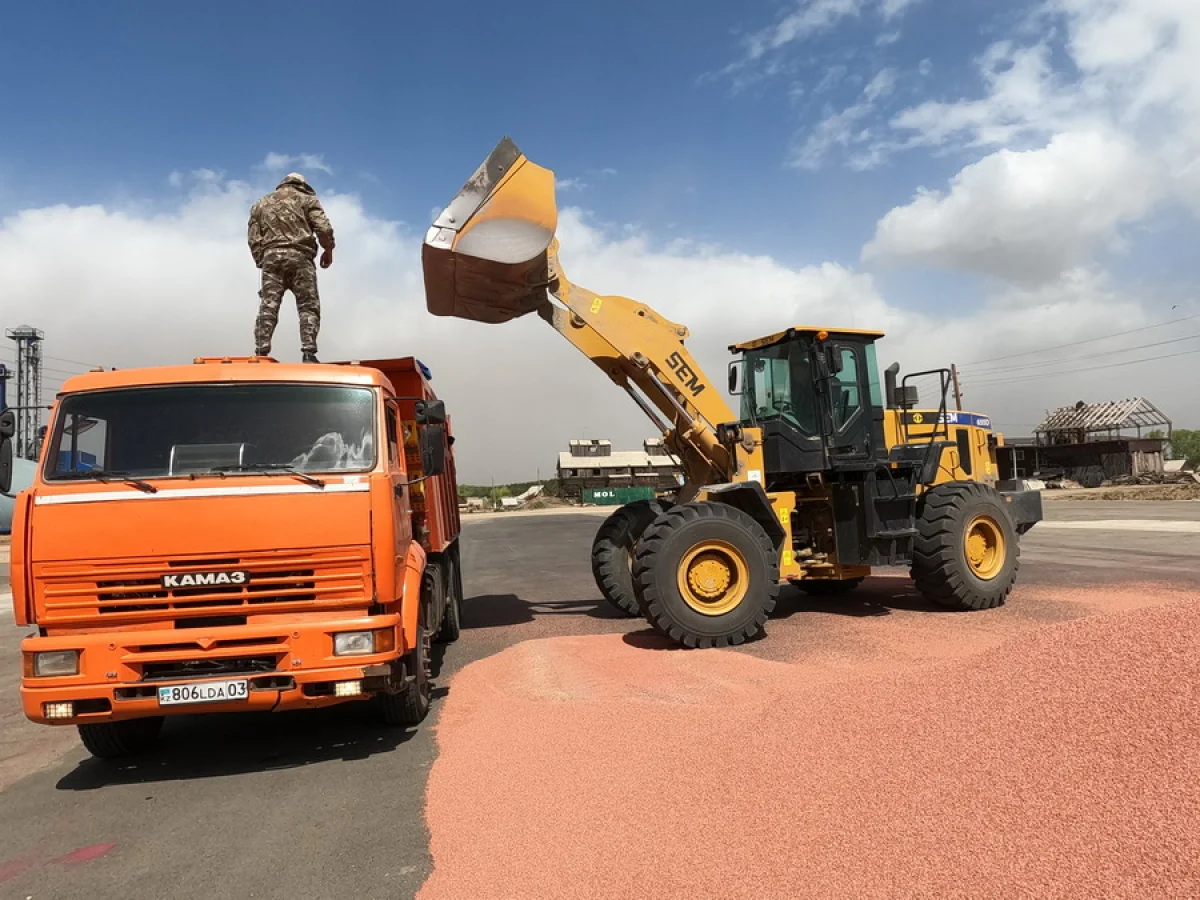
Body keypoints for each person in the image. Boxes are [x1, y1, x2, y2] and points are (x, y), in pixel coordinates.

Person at [247, 172, 335, 363]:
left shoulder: (261, 204)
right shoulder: (308, 200)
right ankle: (309, 353)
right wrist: (328, 249)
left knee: (268, 306)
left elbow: (253, 237)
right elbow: (324, 228)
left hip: (271, 259)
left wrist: (260, 260)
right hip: (300, 257)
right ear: (302, 185)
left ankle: (260, 353)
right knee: (308, 306)